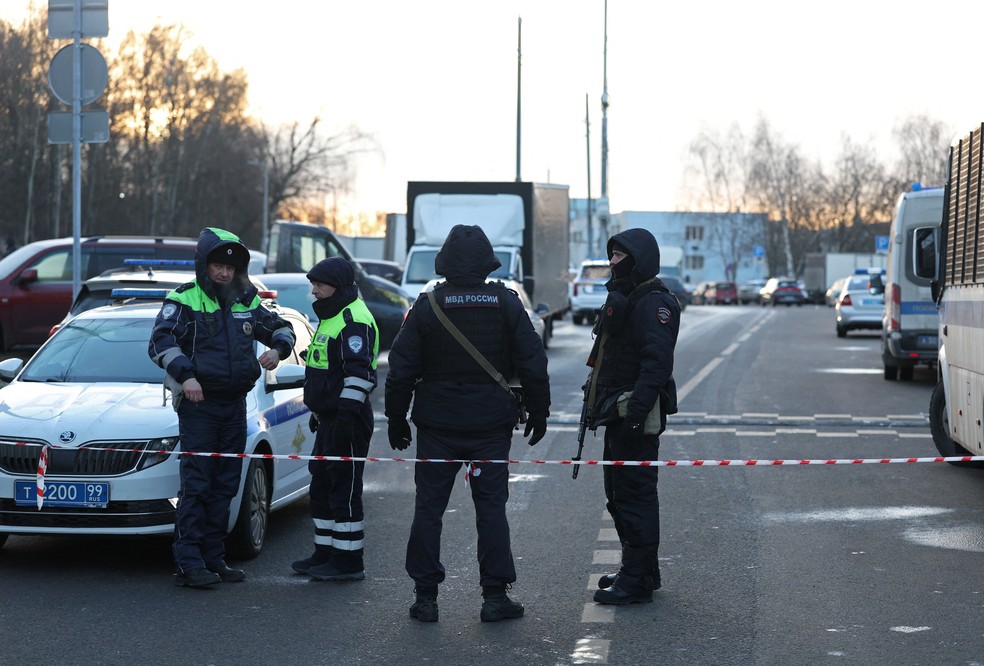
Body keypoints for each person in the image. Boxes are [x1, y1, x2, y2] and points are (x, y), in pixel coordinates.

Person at [385, 224, 550, 623]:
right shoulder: (506, 303)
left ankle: (426, 598)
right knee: (491, 509)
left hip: (437, 426)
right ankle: (495, 598)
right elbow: (533, 361)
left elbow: (401, 367)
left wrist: (395, 418)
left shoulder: (429, 304)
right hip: (490, 425)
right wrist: (540, 411)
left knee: (429, 509)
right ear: (487, 261)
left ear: (444, 260)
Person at [149, 227, 296, 588]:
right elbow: (160, 342)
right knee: (197, 485)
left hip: (235, 406)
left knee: (226, 484)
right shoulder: (184, 299)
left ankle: (214, 558)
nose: (224, 273)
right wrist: (186, 377)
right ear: (204, 265)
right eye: (217, 265)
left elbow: (282, 328)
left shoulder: (246, 300)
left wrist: (278, 350)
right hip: (199, 406)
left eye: (230, 267)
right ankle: (188, 561)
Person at [583, 228, 679, 605]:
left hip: (633, 415)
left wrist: (636, 417)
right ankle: (641, 569)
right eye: (612, 255)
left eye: (619, 256)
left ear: (638, 260)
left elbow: (656, 365)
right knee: (618, 494)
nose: (612, 263)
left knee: (634, 496)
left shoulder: (654, 303)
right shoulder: (626, 296)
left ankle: (636, 579)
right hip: (617, 412)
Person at [291, 257, 379, 581]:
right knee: (323, 486)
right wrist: (322, 412)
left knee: (345, 489)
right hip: (330, 418)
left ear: (337, 287)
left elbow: (359, 375)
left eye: (319, 285)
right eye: (313, 284)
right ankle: (325, 554)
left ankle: (348, 563)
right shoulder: (331, 317)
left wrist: (343, 417)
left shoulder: (352, 319)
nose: (313, 291)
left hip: (349, 419)